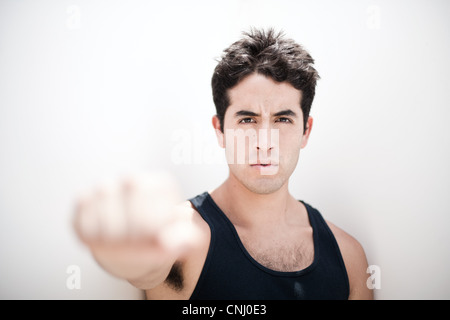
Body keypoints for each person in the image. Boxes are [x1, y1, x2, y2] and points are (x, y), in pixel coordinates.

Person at [73, 28, 373, 300]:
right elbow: (146, 266)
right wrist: (120, 250)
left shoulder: (349, 258)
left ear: (305, 131)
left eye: (282, 119)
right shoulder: (184, 236)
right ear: (220, 130)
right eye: (247, 119)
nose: (264, 141)